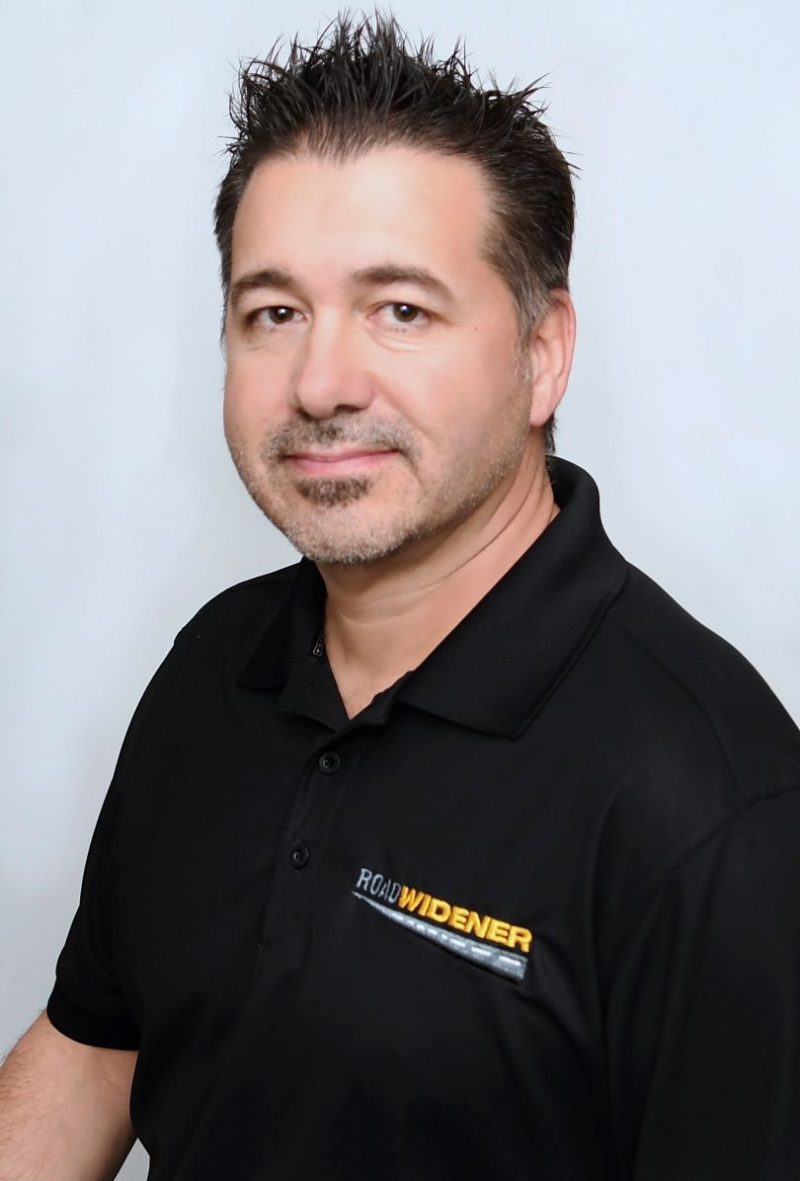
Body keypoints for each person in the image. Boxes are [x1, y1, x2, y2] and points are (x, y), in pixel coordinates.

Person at [1, 13, 798, 1180]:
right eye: (274, 313)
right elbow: (94, 1046)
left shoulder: (712, 808)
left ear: (541, 353)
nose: (320, 383)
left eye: (400, 309)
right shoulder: (216, 663)